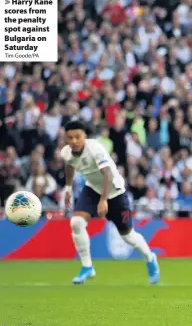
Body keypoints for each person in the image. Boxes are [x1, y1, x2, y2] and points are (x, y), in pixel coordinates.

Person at [62, 120, 160, 285]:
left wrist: (103, 200)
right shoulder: (66, 152)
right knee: (76, 223)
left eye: (77, 137)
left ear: (85, 135)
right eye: (70, 138)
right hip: (92, 189)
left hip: (115, 191)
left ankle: (150, 258)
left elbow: (108, 174)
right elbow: (70, 166)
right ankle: (87, 267)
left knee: (128, 236)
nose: (74, 141)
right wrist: (67, 189)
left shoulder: (95, 149)